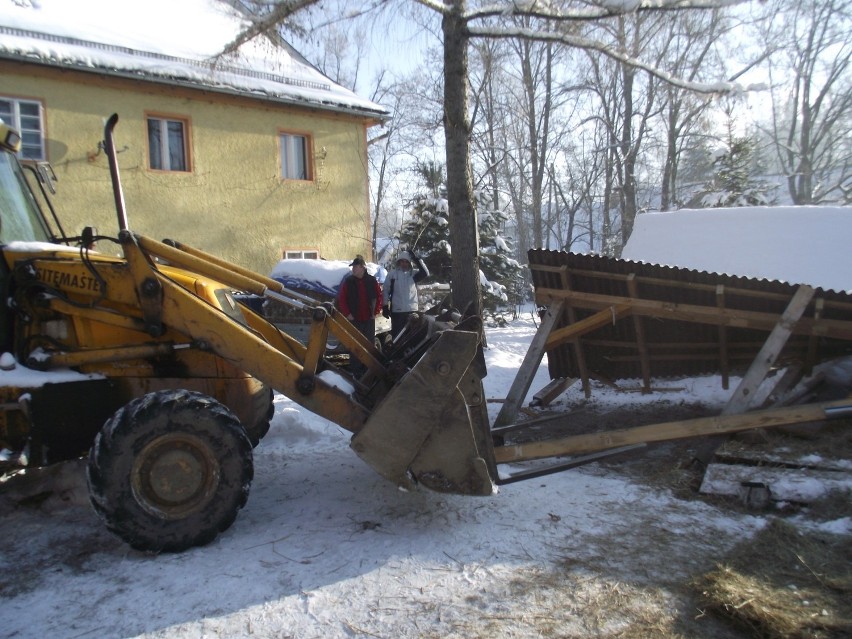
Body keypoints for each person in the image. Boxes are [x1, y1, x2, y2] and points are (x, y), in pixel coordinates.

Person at [337, 255, 382, 376]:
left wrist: (375, 312)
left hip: (368, 319)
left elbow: (378, 297)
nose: (353, 270)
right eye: (353, 268)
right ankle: (356, 372)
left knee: (369, 345)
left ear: (362, 267)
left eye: (355, 267)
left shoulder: (372, 281)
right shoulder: (349, 281)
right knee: (355, 346)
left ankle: (369, 371)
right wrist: (348, 314)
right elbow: (342, 299)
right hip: (355, 319)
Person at [382, 249, 429, 338]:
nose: (404, 264)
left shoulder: (413, 274)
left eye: (406, 262)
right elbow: (386, 290)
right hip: (397, 312)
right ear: (398, 262)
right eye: (402, 261)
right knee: (397, 336)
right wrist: (385, 306)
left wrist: (416, 259)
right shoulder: (392, 274)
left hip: (412, 311)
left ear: (409, 263)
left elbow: (425, 273)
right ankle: (396, 351)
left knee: (412, 337)